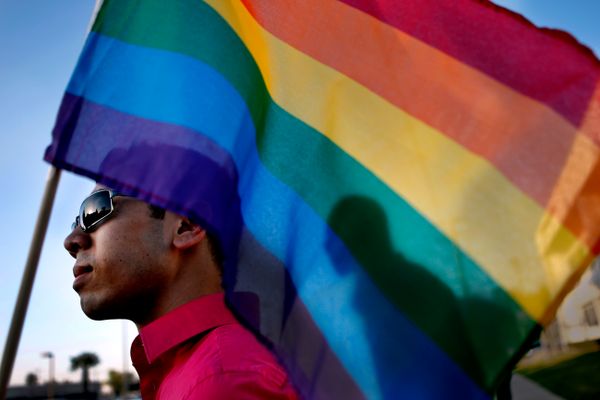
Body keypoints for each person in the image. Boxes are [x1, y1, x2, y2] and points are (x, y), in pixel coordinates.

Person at [64, 185, 299, 399]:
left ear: (185, 225)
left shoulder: (222, 381)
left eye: (94, 210)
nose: (72, 241)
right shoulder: (210, 369)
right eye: (76, 222)